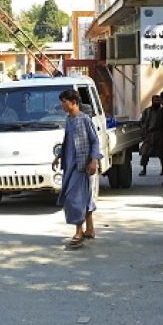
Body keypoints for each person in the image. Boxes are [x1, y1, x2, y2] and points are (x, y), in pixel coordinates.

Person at [52, 89, 103, 249]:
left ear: (73, 102)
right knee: (84, 198)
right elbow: (67, 141)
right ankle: (90, 229)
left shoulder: (84, 119)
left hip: (83, 166)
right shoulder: (69, 120)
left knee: (74, 198)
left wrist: (94, 160)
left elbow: (95, 141)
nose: (62, 105)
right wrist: (58, 156)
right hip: (70, 165)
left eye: (64, 102)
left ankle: (79, 232)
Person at [139, 95, 163, 176]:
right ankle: (144, 169)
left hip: (159, 135)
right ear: (152, 101)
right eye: (155, 100)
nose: (157, 102)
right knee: (145, 154)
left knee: (162, 154)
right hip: (149, 136)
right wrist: (144, 133)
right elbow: (142, 122)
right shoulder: (147, 111)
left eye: (159, 101)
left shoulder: (162, 111)